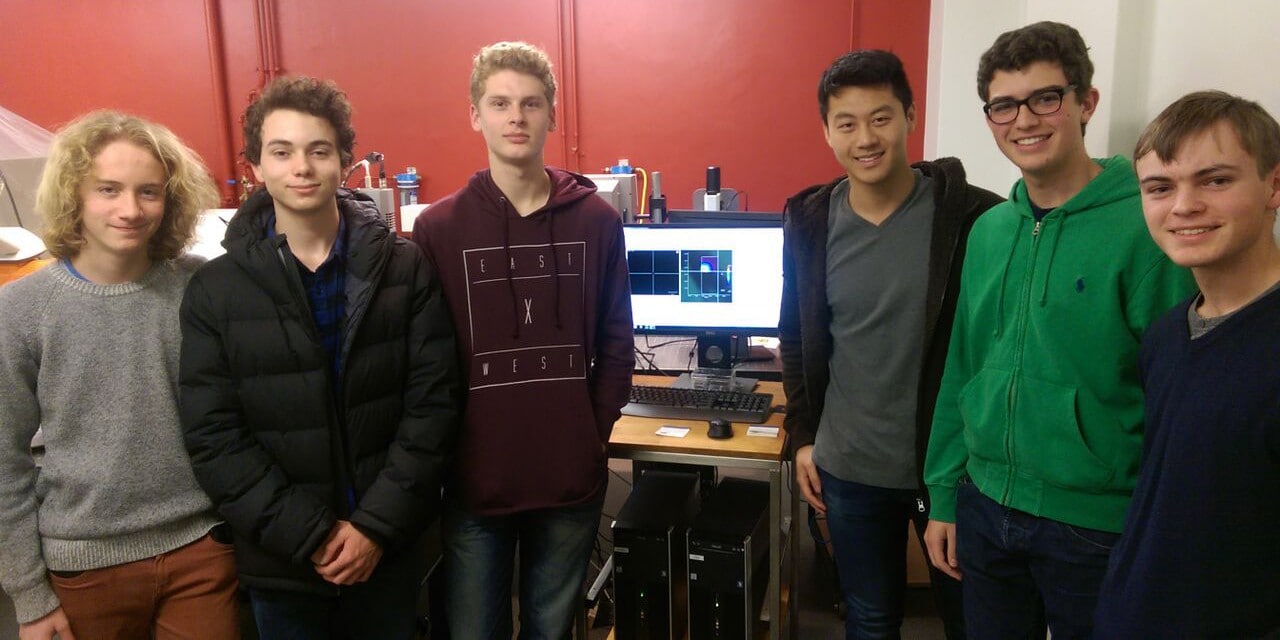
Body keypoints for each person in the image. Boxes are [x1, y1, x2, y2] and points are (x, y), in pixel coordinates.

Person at [921, 21, 1195, 638]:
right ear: (990, 118)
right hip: (986, 506)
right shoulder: (990, 228)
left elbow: (1176, 397)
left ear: (1085, 102)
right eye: (1004, 105)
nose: (1025, 120)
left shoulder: (1144, 228)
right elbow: (962, 367)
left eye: (1046, 98)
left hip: (1095, 524)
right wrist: (943, 494)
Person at [179, 76, 460, 639]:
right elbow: (215, 435)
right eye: (281, 152)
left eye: (318, 150)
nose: (301, 167)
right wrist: (309, 535)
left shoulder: (404, 268)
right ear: (256, 166)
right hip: (284, 564)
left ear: (345, 161)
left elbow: (432, 407)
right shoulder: (216, 289)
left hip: (388, 551)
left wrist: (375, 527)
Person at [411, 41, 633, 639]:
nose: (516, 117)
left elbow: (617, 340)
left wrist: (592, 431)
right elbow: (426, 361)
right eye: (500, 103)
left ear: (552, 115)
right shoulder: (437, 228)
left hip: (569, 476)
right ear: (475, 115)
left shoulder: (597, 222)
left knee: (551, 628)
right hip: (475, 480)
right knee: (473, 630)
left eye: (531, 104)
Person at [779, 49, 1001, 639]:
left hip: (951, 470)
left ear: (909, 115)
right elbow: (795, 336)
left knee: (972, 621)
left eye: (881, 117)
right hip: (850, 466)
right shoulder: (808, 222)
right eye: (846, 123)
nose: (865, 138)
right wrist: (803, 436)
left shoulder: (974, 217)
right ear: (827, 131)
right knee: (870, 619)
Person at [0, 110, 237, 639]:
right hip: (83, 567)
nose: (129, 209)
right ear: (74, 195)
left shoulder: (200, 287)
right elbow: (3, 462)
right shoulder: (21, 310)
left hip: (200, 552)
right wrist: (30, 597)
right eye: (108, 189)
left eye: (148, 192)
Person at [1093, 91, 1280, 637]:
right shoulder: (1167, 335)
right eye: (1160, 187)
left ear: (1273, 185)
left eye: (1215, 180)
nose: (1183, 206)